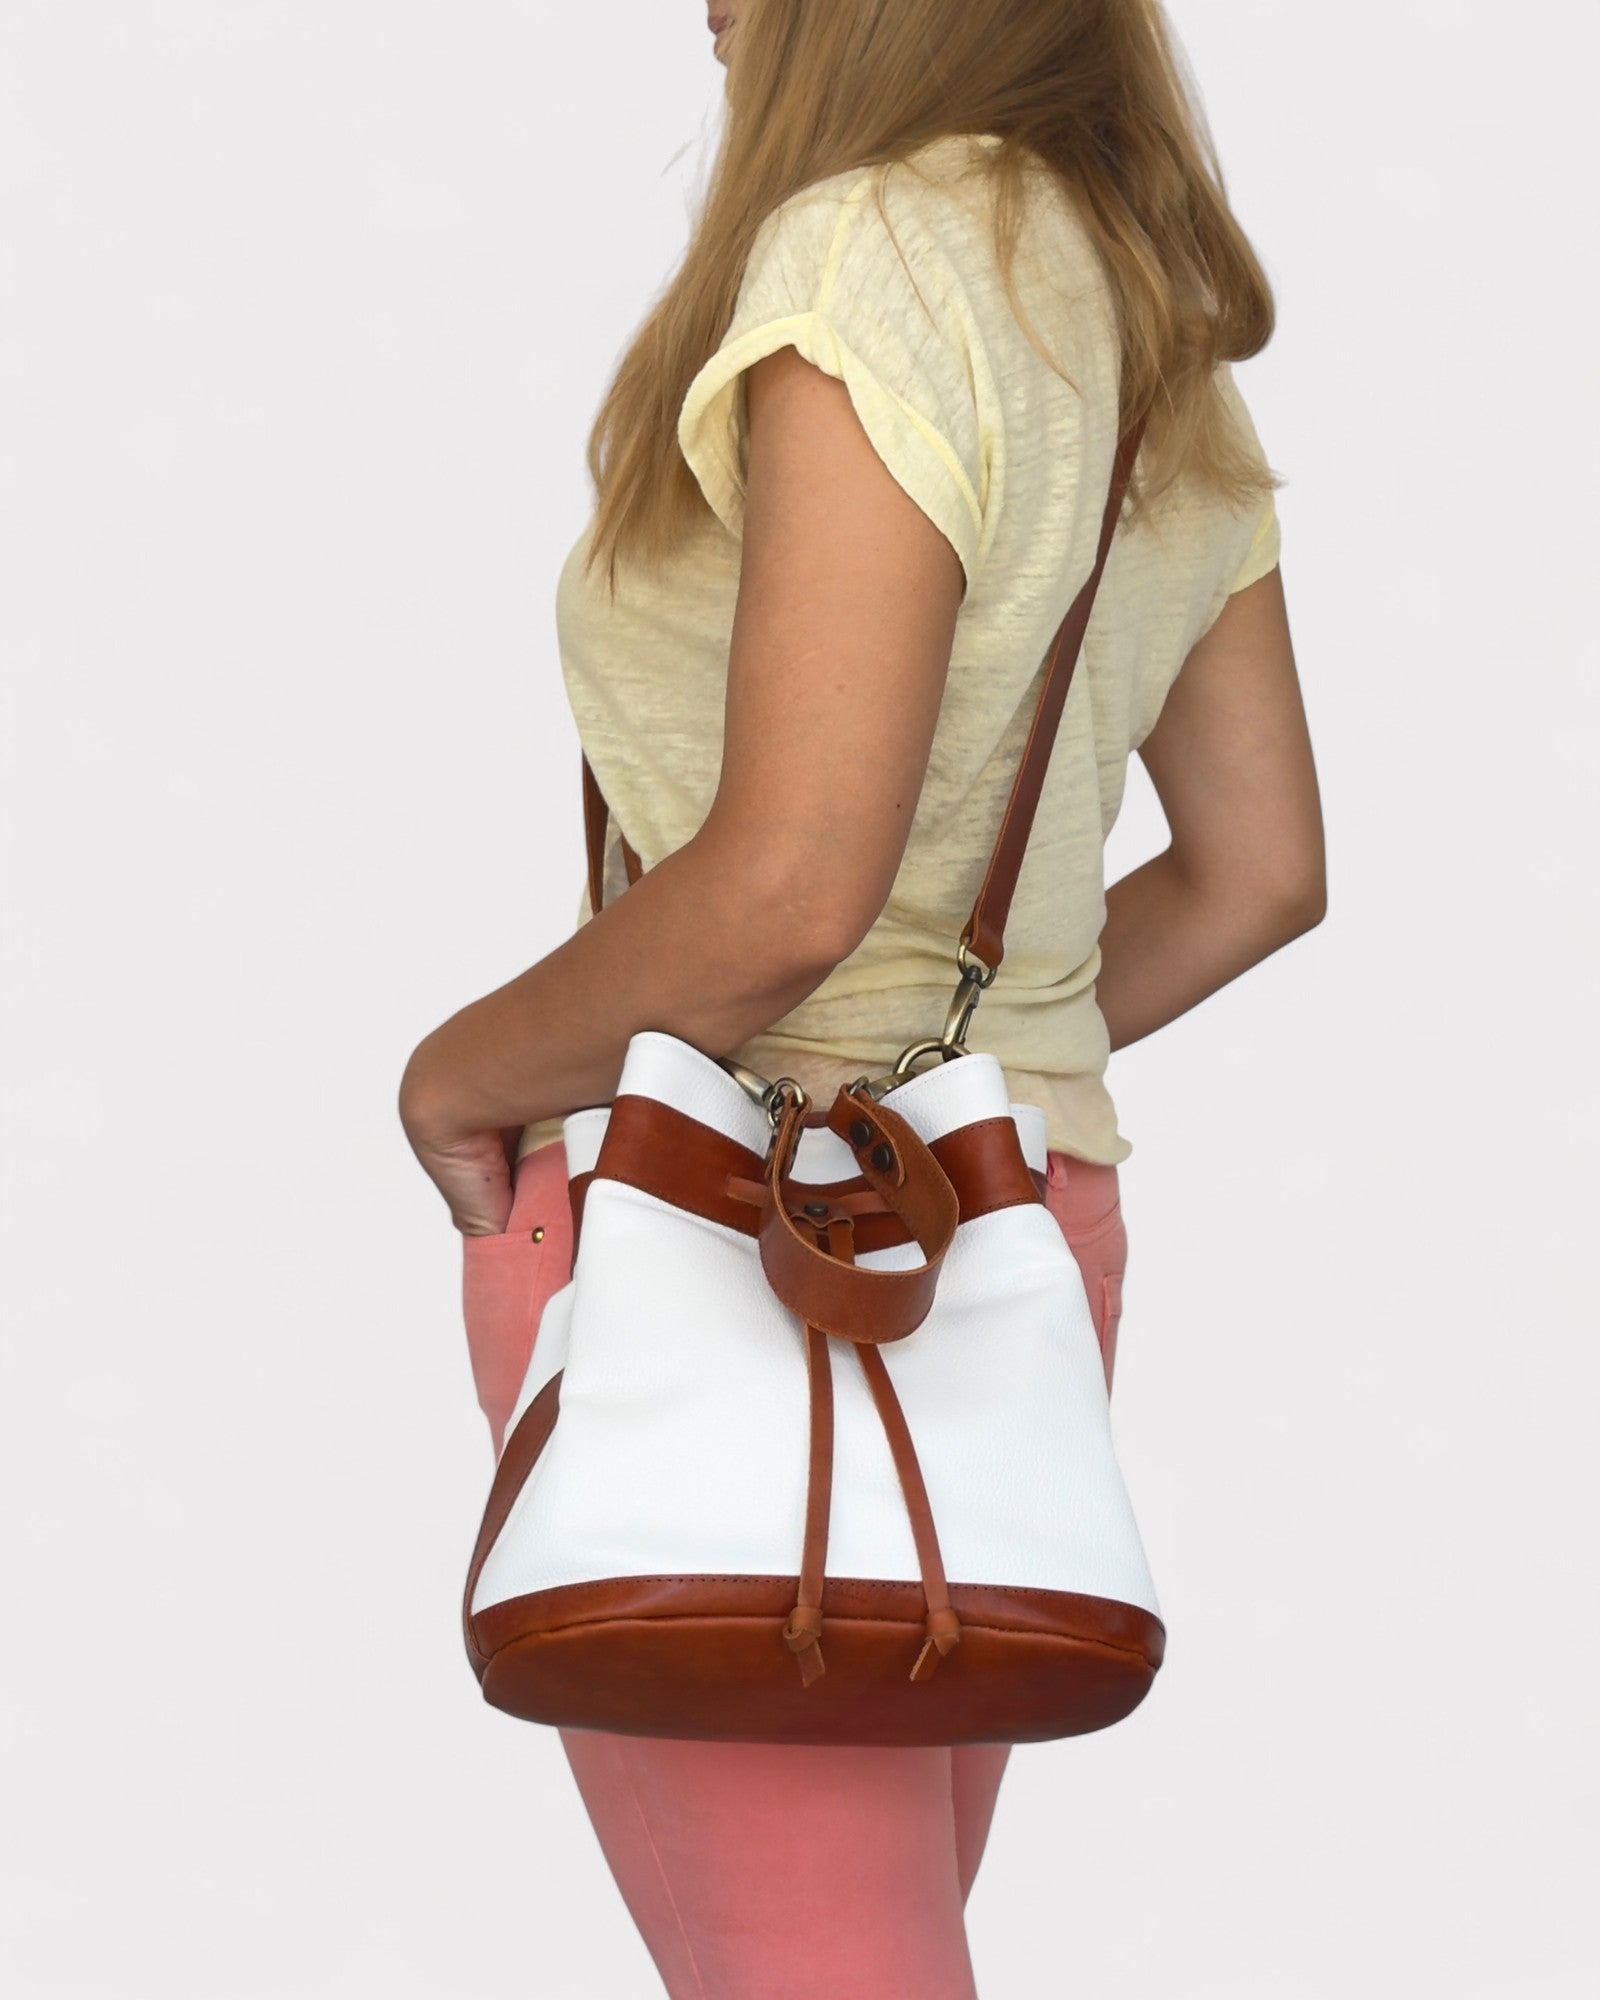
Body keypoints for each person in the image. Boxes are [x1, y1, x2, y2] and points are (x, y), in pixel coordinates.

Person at [399, 2, 1326, 1993]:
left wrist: (454, 1075)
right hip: (1016, 1240)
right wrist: (961, 1079)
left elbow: (791, 888)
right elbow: (1259, 870)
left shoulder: (866, 261)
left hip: (734, 1256)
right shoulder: (1136, 299)